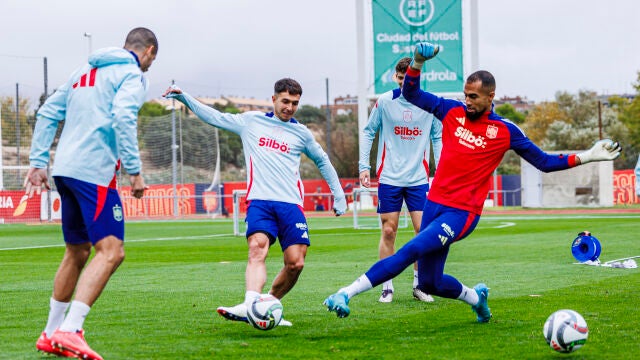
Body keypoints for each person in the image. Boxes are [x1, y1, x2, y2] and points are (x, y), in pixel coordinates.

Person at [324, 42, 621, 323]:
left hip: (461, 213)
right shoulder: (451, 111)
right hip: (434, 205)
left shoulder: (505, 130)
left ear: (491, 96)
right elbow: (411, 94)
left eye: (474, 96)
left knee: (410, 250)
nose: (467, 101)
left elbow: (543, 161)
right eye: (465, 94)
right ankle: (476, 298)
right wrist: (416, 64)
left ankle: (345, 293)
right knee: (431, 281)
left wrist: (588, 156)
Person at [163, 78, 347, 327]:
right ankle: (250, 303)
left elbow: (323, 161)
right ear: (273, 100)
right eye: (285, 101)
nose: (289, 107)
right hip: (260, 201)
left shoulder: (302, 133)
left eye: (294, 103)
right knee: (257, 247)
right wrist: (184, 96)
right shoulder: (251, 121)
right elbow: (215, 117)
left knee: (296, 263)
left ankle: (264, 306)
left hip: (290, 205)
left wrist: (339, 195)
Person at [26, 27, 158, 359]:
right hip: (94, 172)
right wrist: (135, 170)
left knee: (77, 252)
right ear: (149, 52)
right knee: (112, 252)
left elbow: (47, 112)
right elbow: (123, 116)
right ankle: (71, 330)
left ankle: (51, 332)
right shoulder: (132, 74)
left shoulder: (83, 70)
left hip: (65, 171)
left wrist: (38, 161)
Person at [360, 57, 442, 303]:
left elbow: (437, 138)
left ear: (418, 78)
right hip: (390, 178)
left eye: (410, 78)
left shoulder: (431, 105)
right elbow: (368, 131)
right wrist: (364, 166)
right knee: (389, 230)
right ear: (395, 78)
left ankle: (419, 285)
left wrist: (442, 171)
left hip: (419, 178)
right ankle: (387, 286)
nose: (405, 82)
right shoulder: (384, 102)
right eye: (400, 78)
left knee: (423, 232)